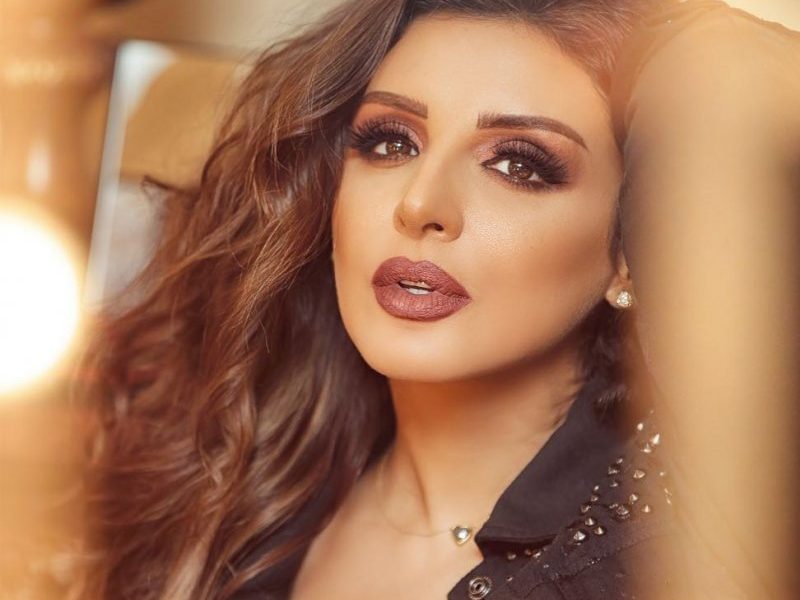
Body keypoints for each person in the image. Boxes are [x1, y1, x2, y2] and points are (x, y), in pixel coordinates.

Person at [68, 1, 800, 599]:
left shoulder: (701, 543)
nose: (420, 205)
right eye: (391, 143)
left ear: (628, 254)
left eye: (518, 165)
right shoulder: (229, 485)